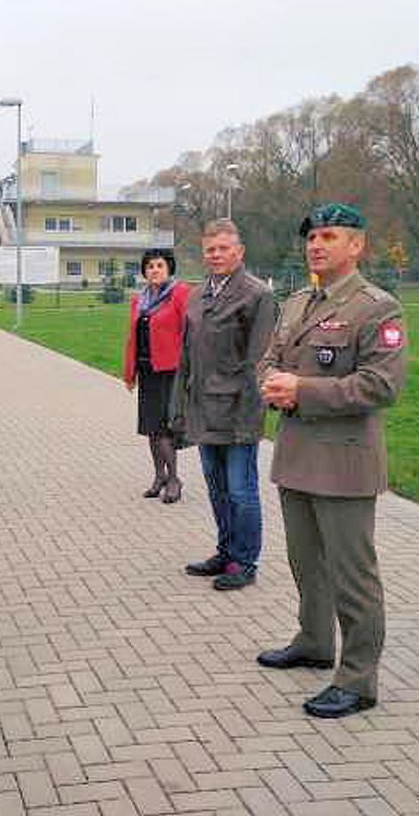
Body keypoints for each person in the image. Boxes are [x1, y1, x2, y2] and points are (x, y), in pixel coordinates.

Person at [257, 202, 408, 719]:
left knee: (352, 575)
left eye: (328, 236)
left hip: (343, 462)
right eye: (311, 237)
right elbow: (272, 358)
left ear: (356, 245)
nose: (315, 245)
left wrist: (301, 389)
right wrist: (271, 383)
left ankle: (359, 679)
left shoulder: (376, 307)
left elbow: (380, 385)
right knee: (306, 564)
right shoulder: (298, 301)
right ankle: (314, 641)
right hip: (296, 454)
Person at [175, 219, 275, 590]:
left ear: (240, 252)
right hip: (203, 408)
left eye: (223, 249)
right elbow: (186, 355)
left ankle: (245, 562)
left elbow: (259, 360)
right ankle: (226, 551)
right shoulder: (197, 294)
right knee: (216, 488)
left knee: (241, 490)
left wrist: (250, 416)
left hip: (238, 412)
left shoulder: (257, 295)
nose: (215, 255)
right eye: (210, 250)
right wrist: (180, 406)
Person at [123, 248, 190, 503]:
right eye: (150, 266)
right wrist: (129, 373)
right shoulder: (139, 301)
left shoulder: (180, 294)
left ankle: (174, 479)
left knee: (164, 428)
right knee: (150, 428)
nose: (154, 270)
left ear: (169, 269)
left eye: (159, 265)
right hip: (147, 371)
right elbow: (133, 339)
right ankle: (159, 476)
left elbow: (189, 331)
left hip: (169, 371)